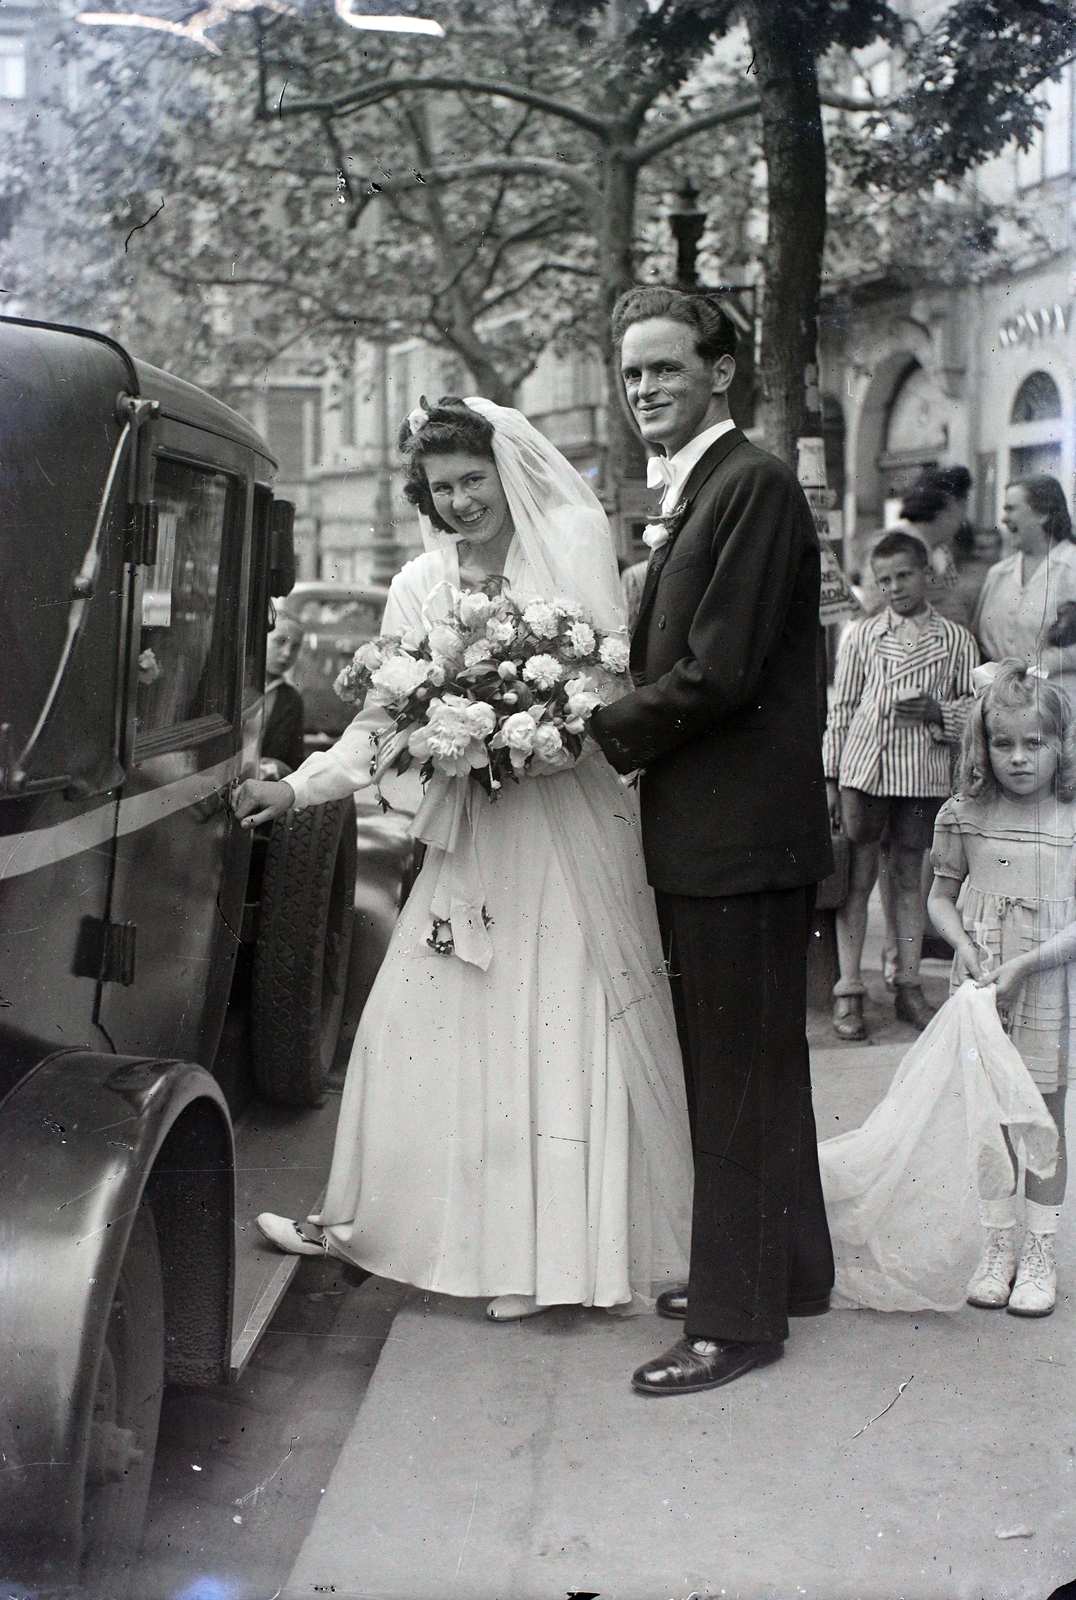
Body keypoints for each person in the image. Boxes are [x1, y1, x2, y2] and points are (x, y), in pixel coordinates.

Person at [233, 396, 693, 1323]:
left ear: (505, 470)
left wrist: (538, 735)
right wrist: (298, 788)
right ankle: (374, 1223)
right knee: (413, 1022)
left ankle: (553, 1263)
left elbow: (607, 678)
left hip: (563, 830)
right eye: (442, 488)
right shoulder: (419, 584)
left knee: (555, 1024)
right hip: (473, 835)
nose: (461, 501)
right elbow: (380, 719)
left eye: (474, 480)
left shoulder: (565, 541)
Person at [589, 285, 835, 1397]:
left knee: (732, 1077)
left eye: (666, 367)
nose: (646, 387)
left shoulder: (751, 485)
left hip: (734, 840)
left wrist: (594, 729)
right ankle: (784, 1269)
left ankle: (735, 1321)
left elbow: (717, 672)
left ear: (719, 371)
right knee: (757, 1071)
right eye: (632, 372)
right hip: (724, 834)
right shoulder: (712, 490)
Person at [927, 663, 1075, 1316]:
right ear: (981, 746)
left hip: (1045, 982)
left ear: (1060, 745)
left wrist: (1025, 965)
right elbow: (939, 897)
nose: (1018, 759)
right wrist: (964, 946)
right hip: (983, 984)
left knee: (1042, 1116)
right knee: (989, 1118)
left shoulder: (1070, 816)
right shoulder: (964, 813)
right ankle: (999, 1246)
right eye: (1003, 743)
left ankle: (1041, 1252)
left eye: (1034, 743)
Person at [824, 531, 979, 1041]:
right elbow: (842, 708)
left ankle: (908, 984)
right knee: (857, 877)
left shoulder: (956, 640)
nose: (894, 587)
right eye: (883, 579)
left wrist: (939, 712)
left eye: (904, 575)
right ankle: (849, 986)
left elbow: (972, 712)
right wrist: (830, 776)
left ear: (926, 575)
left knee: (910, 875)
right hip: (865, 770)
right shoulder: (863, 634)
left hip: (922, 773)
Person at [973, 475, 1076, 691]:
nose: (1004, 519)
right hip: (1004, 701)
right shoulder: (998, 574)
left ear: (1043, 514)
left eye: (1011, 509)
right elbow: (981, 641)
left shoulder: (1071, 567)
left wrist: (1037, 668)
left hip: (1062, 703)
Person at [260, 610, 305, 779]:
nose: (287, 653)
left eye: (295, 647)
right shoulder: (232, 689)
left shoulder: (291, 700)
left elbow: (294, 765)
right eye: (280, 642)